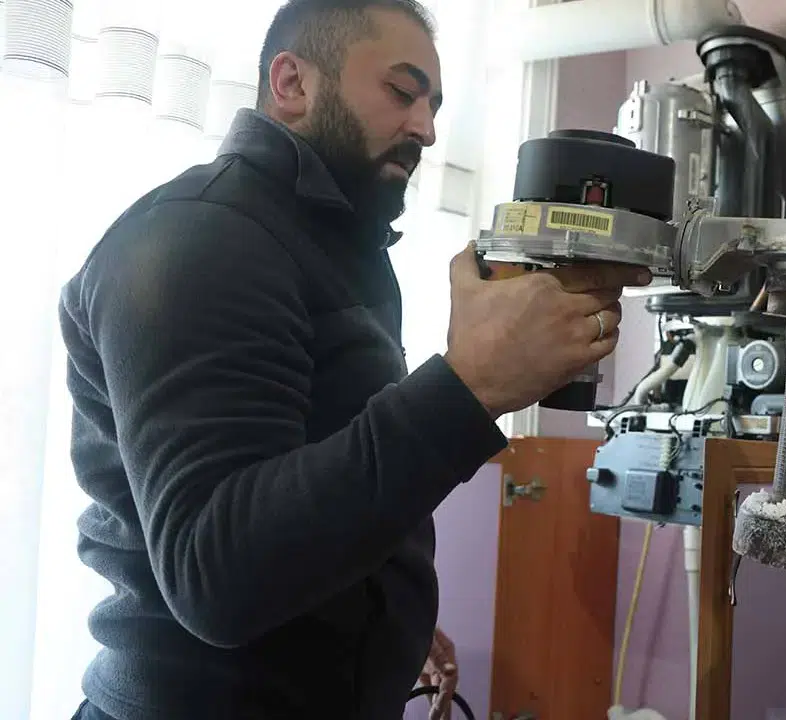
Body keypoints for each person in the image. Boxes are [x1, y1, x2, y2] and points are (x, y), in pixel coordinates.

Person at [58, 1, 647, 718]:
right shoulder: (197, 240)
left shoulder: (339, 249)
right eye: (402, 92)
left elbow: (322, 473)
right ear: (291, 83)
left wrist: (379, 616)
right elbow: (217, 578)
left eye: (433, 106)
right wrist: (471, 386)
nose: (426, 128)